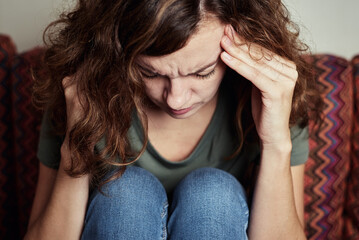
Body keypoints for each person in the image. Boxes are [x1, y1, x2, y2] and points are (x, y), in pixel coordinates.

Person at [24, 0, 322, 239]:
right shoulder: (82, 94)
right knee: (126, 192)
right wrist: (77, 143)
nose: (175, 99)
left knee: (213, 194)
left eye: (201, 72)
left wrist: (276, 142)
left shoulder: (270, 99)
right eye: (150, 73)